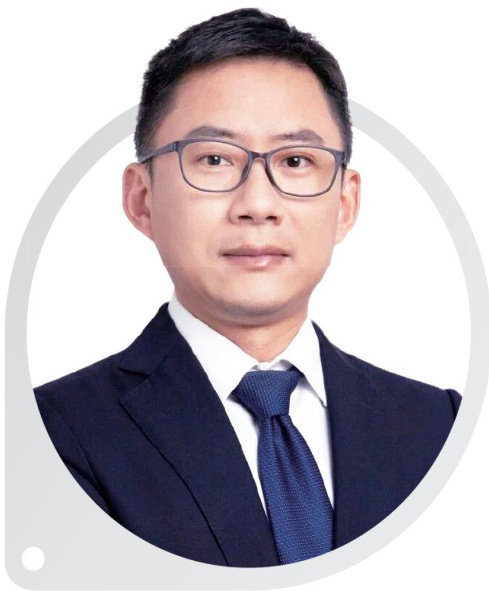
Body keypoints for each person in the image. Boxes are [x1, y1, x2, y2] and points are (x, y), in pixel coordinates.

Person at [34, 8, 461, 567]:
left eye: (297, 160)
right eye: (214, 159)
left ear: (345, 203)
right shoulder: (48, 434)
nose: (258, 205)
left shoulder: (441, 426)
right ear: (142, 198)